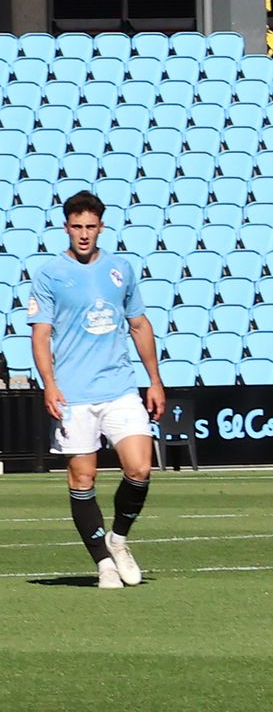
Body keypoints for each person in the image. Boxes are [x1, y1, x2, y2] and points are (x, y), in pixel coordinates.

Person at [29, 191, 164, 589]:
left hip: (119, 386)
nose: (84, 234)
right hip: (73, 393)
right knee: (82, 478)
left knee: (139, 467)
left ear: (101, 227)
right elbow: (41, 335)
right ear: (66, 227)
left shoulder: (121, 268)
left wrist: (154, 380)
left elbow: (139, 325)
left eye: (91, 227)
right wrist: (49, 385)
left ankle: (118, 539)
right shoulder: (50, 274)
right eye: (77, 227)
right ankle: (103, 562)